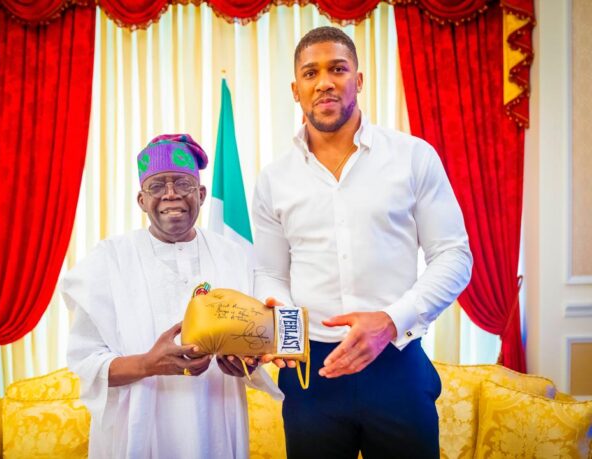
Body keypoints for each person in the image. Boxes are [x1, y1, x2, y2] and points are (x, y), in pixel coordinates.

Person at [252, 27, 472, 458]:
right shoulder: (274, 179)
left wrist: (390, 320)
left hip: (396, 363)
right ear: (296, 90)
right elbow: (270, 273)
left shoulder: (413, 157)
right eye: (311, 73)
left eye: (337, 69)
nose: (325, 82)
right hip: (310, 376)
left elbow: (454, 256)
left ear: (359, 80)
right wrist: (286, 333)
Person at [63, 133, 281, 459]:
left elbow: (254, 339)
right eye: (156, 186)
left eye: (182, 183)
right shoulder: (108, 259)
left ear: (201, 194)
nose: (170, 194)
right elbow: (86, 363)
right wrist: (147, 364)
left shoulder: (234, 256)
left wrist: (243, 363)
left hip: (216, 422)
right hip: (137, 429)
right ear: (141, 200)